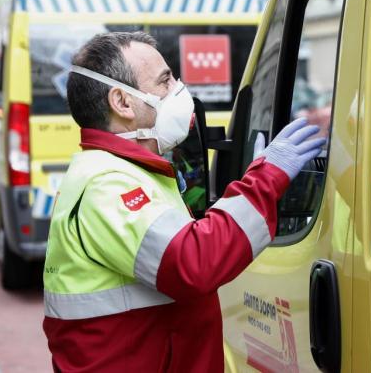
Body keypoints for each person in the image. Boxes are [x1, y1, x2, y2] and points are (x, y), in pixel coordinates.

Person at [42, 32, 324, 372]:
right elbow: (193, 262)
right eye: (165, 81)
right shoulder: (107, 183)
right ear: (122, 102)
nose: (178, 89)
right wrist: (266, 179)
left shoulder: (127, 171)